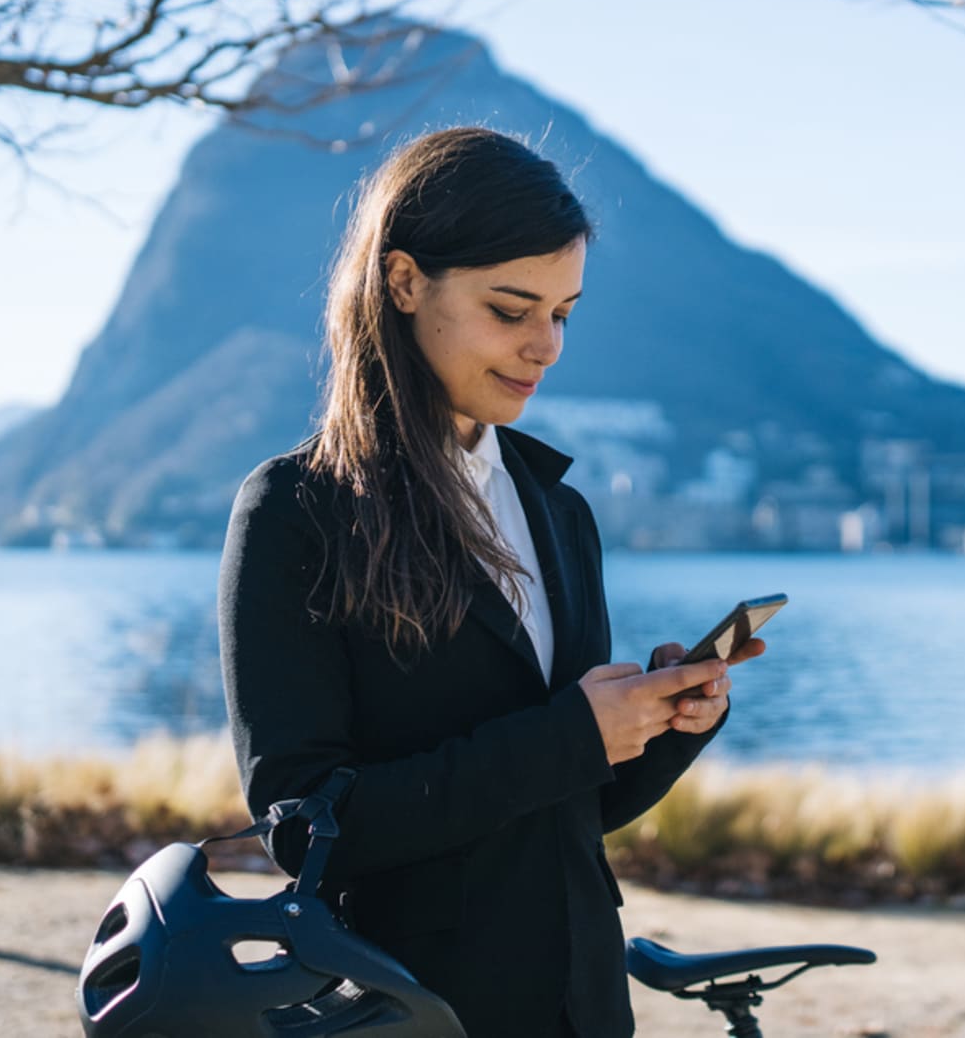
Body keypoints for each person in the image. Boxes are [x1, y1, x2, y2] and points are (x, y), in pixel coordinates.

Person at [219, 125, 763, 1037]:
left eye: (564, 312)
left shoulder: (561, 511)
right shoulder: (296, 509)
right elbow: (304, 830)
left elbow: (570, 812)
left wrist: (665, 727)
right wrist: (570, 734)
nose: (546, 346)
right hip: (413, 1009)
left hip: (585, 1007)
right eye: (511, 310)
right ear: (402, 283)